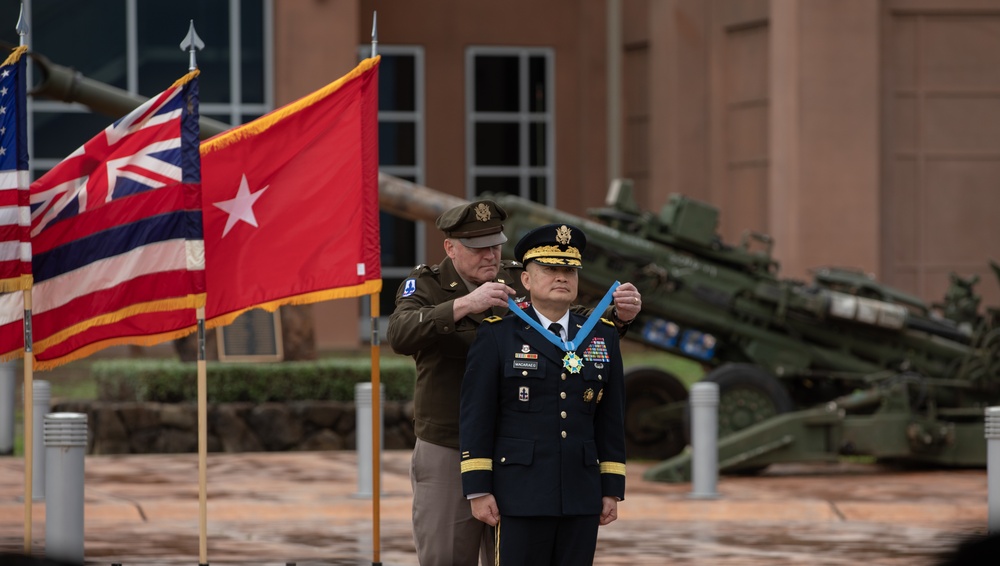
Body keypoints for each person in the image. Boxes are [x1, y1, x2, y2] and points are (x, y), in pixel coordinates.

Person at [387, 201, 641, 566]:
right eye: (478, 248)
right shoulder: (428, 284)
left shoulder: (513, 276)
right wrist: (465, 304)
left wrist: (617, 315)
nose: (491, 255)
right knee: (447, 554)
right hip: (450, 440)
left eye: (495, 245)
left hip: (519, 451)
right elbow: (400, 333)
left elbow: (564, 316)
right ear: (450, 248)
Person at [459, 222, 626, 565]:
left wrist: (611, 487)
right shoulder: (498, 335)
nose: (561, 277)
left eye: (569, 270)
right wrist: (478, 487)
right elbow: (477, 415)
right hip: (520, 492)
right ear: (526, 279)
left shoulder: (602, 335)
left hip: (581, 493)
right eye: (549, 269)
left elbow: (611, 418)